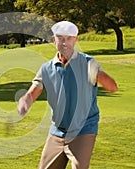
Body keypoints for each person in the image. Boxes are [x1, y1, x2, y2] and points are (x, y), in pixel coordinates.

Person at [17, 21, 118, 169]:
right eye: (60, 38)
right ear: (54, 39)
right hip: (57, 131)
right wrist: (24, 102)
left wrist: (97, 74)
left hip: (83, 130)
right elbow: (32, 93)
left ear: (75, 40)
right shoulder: (46, 69)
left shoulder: (88, 63)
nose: (65, 42)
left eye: (69, 38)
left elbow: (112, 87)